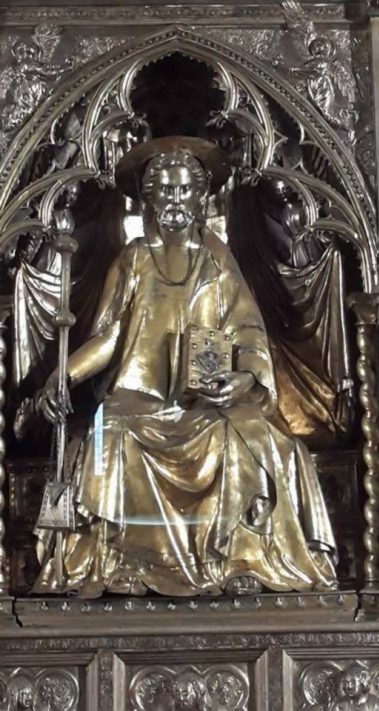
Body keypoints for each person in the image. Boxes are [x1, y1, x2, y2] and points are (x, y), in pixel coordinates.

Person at [34, 136, 337, 597]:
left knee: (247, 441)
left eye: (184, 190)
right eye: (165, 191)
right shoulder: (134, 259)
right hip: (140, 399)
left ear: (200, 198)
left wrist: (244, 378)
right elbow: (109, 338)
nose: (175, 201)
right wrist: (64, 375)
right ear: (149, 199)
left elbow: (247, 331)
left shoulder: (217, 261)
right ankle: (124, 562)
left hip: (204, 403)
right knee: (107, 434)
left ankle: (239, 558)